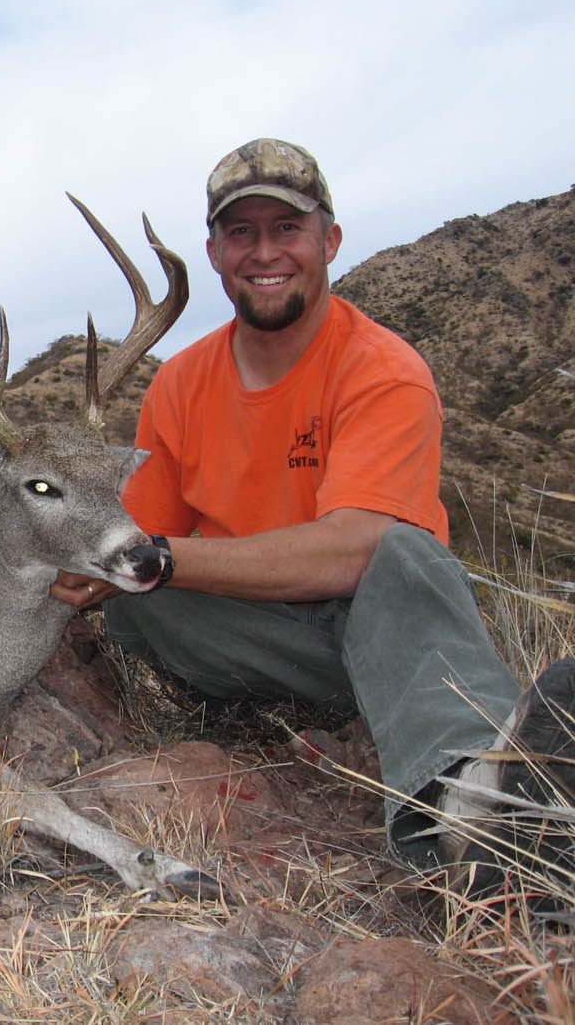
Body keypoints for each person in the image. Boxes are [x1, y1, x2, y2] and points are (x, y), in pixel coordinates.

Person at [52, 137, 574, 886]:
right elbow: (131, 540)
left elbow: (355, 551)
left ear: (329, 241)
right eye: (242, 232)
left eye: (287, 229)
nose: (266, 252)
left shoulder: (383, 371)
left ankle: (481, 807)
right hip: (256, 641)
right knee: (138, 607)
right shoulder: (181, 384)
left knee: (404, 552)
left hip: (381, 628)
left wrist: (157, 558)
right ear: (215, 253)